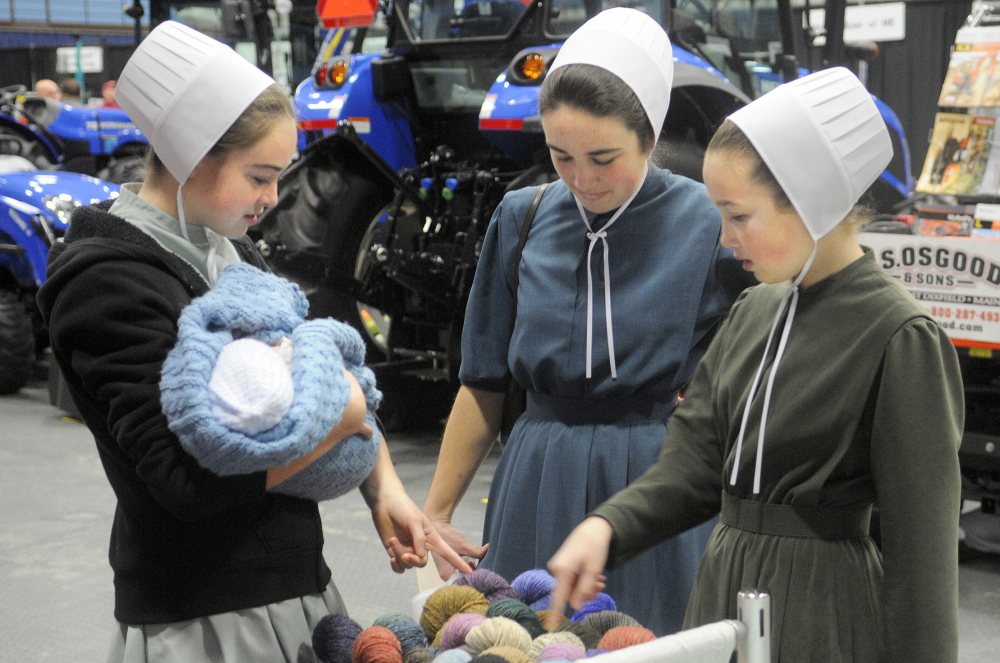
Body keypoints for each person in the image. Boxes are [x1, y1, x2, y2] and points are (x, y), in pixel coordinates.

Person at [37, 20, 470, 663]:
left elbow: (304, 379)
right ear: (187, 154)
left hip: (288, 585)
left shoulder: (224, 246)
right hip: (206, 613)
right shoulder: (107, 283)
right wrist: (344, 418)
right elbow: (187, 485)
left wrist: (384, 486)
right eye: (259, 176)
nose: (271, 199)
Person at [546, 67, 963, 663]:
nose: (724, 237)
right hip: (723, 597)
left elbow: (922, 563)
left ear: (811, 202)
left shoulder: (899, 338)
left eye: (739, 215)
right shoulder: (752, 311)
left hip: (826, 617)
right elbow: (693, 467)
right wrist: (607, 527)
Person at [423, 8, 750, 636]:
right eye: (560, 156)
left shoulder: (709, 222)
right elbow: (483, 382)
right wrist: (437, 510)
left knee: (647, 641)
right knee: (526, 642)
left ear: (650, 139)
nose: (582, 179)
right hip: (535, 477)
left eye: (604, 157)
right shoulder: (521, 218)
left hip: (655, 485)